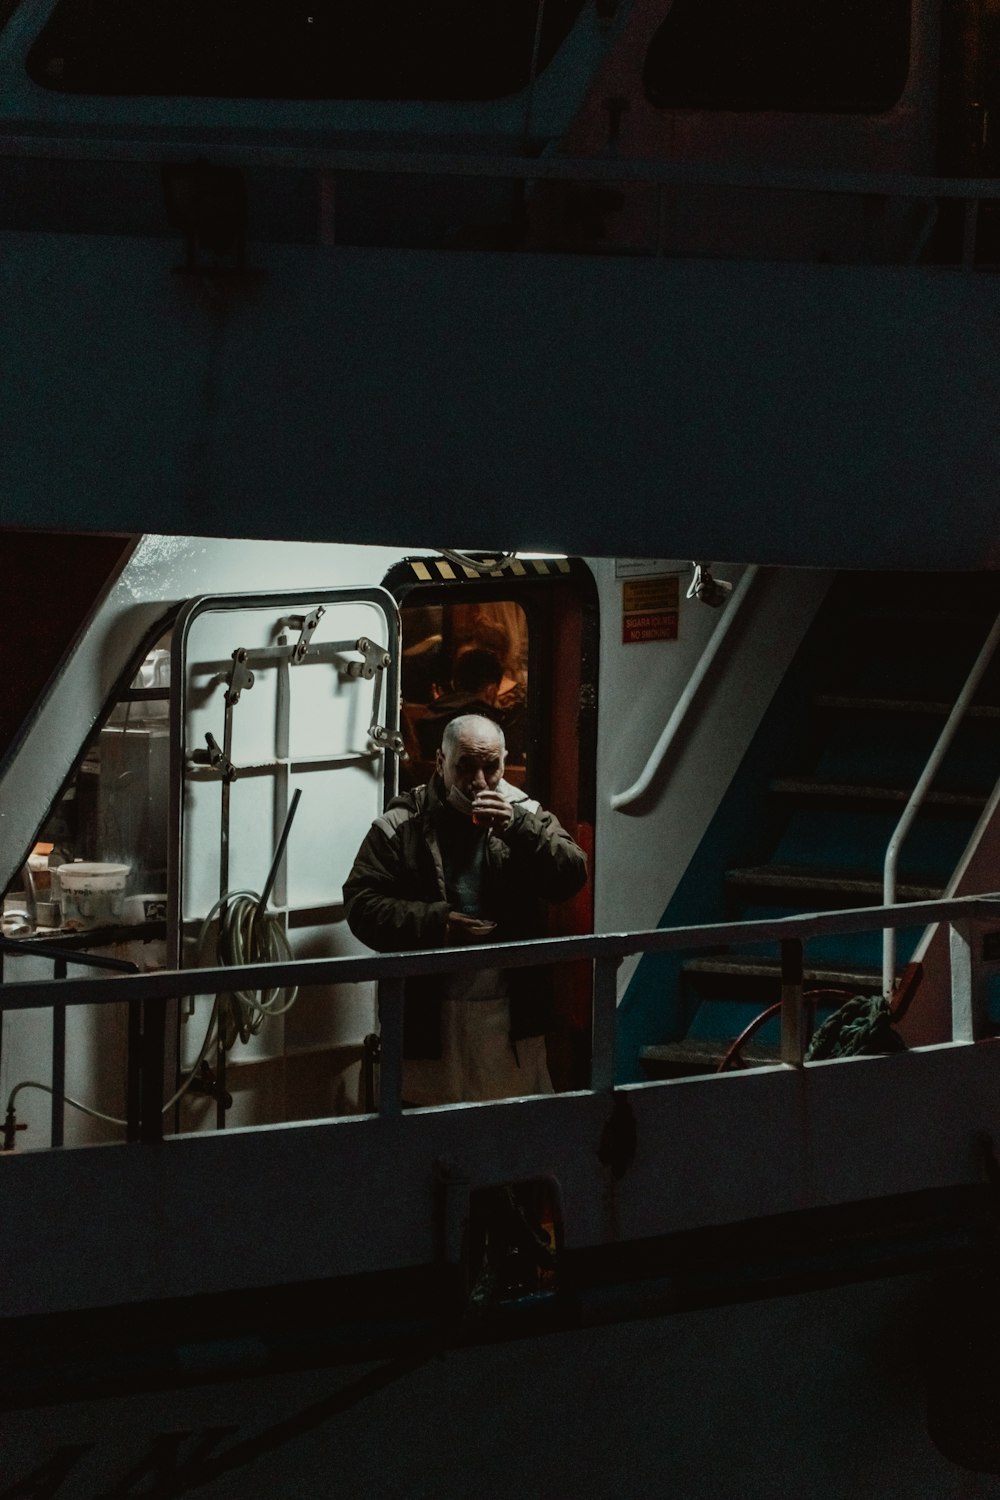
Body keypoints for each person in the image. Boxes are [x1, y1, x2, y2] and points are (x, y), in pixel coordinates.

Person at [344, 714, 587, 1106]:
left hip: (510, 1013)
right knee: (428, 1131)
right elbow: (361, 904)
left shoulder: (523, 810)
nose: (478, 781)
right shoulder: (404, 822)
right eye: (465, 766)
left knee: (507, 1131)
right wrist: (436, 922)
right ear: (440, 762)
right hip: (426, 1012)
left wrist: (518, 827)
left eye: (490, 767)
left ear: (505, 762)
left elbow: (571, 875)